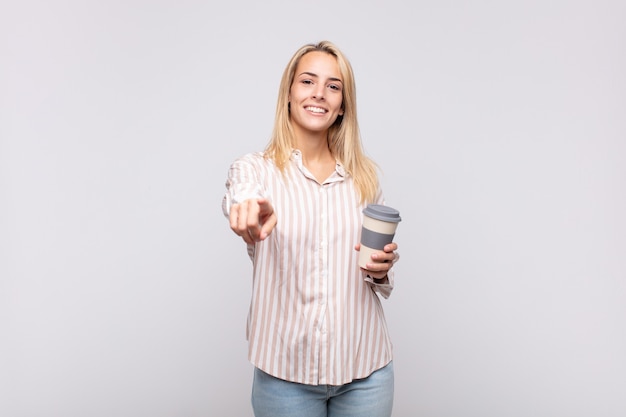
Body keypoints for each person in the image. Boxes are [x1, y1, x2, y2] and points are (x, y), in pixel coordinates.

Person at [222, 40, 400, 417]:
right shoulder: (255, 170)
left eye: (333, 86)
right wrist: (247, 210)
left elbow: (372, 275)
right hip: (284, 377)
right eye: (307, 81)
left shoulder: (364, 180)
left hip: (366, 372)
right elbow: (241, 197)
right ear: (289, 92)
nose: (319, 93)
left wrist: (382, 271)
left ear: (342, 106)